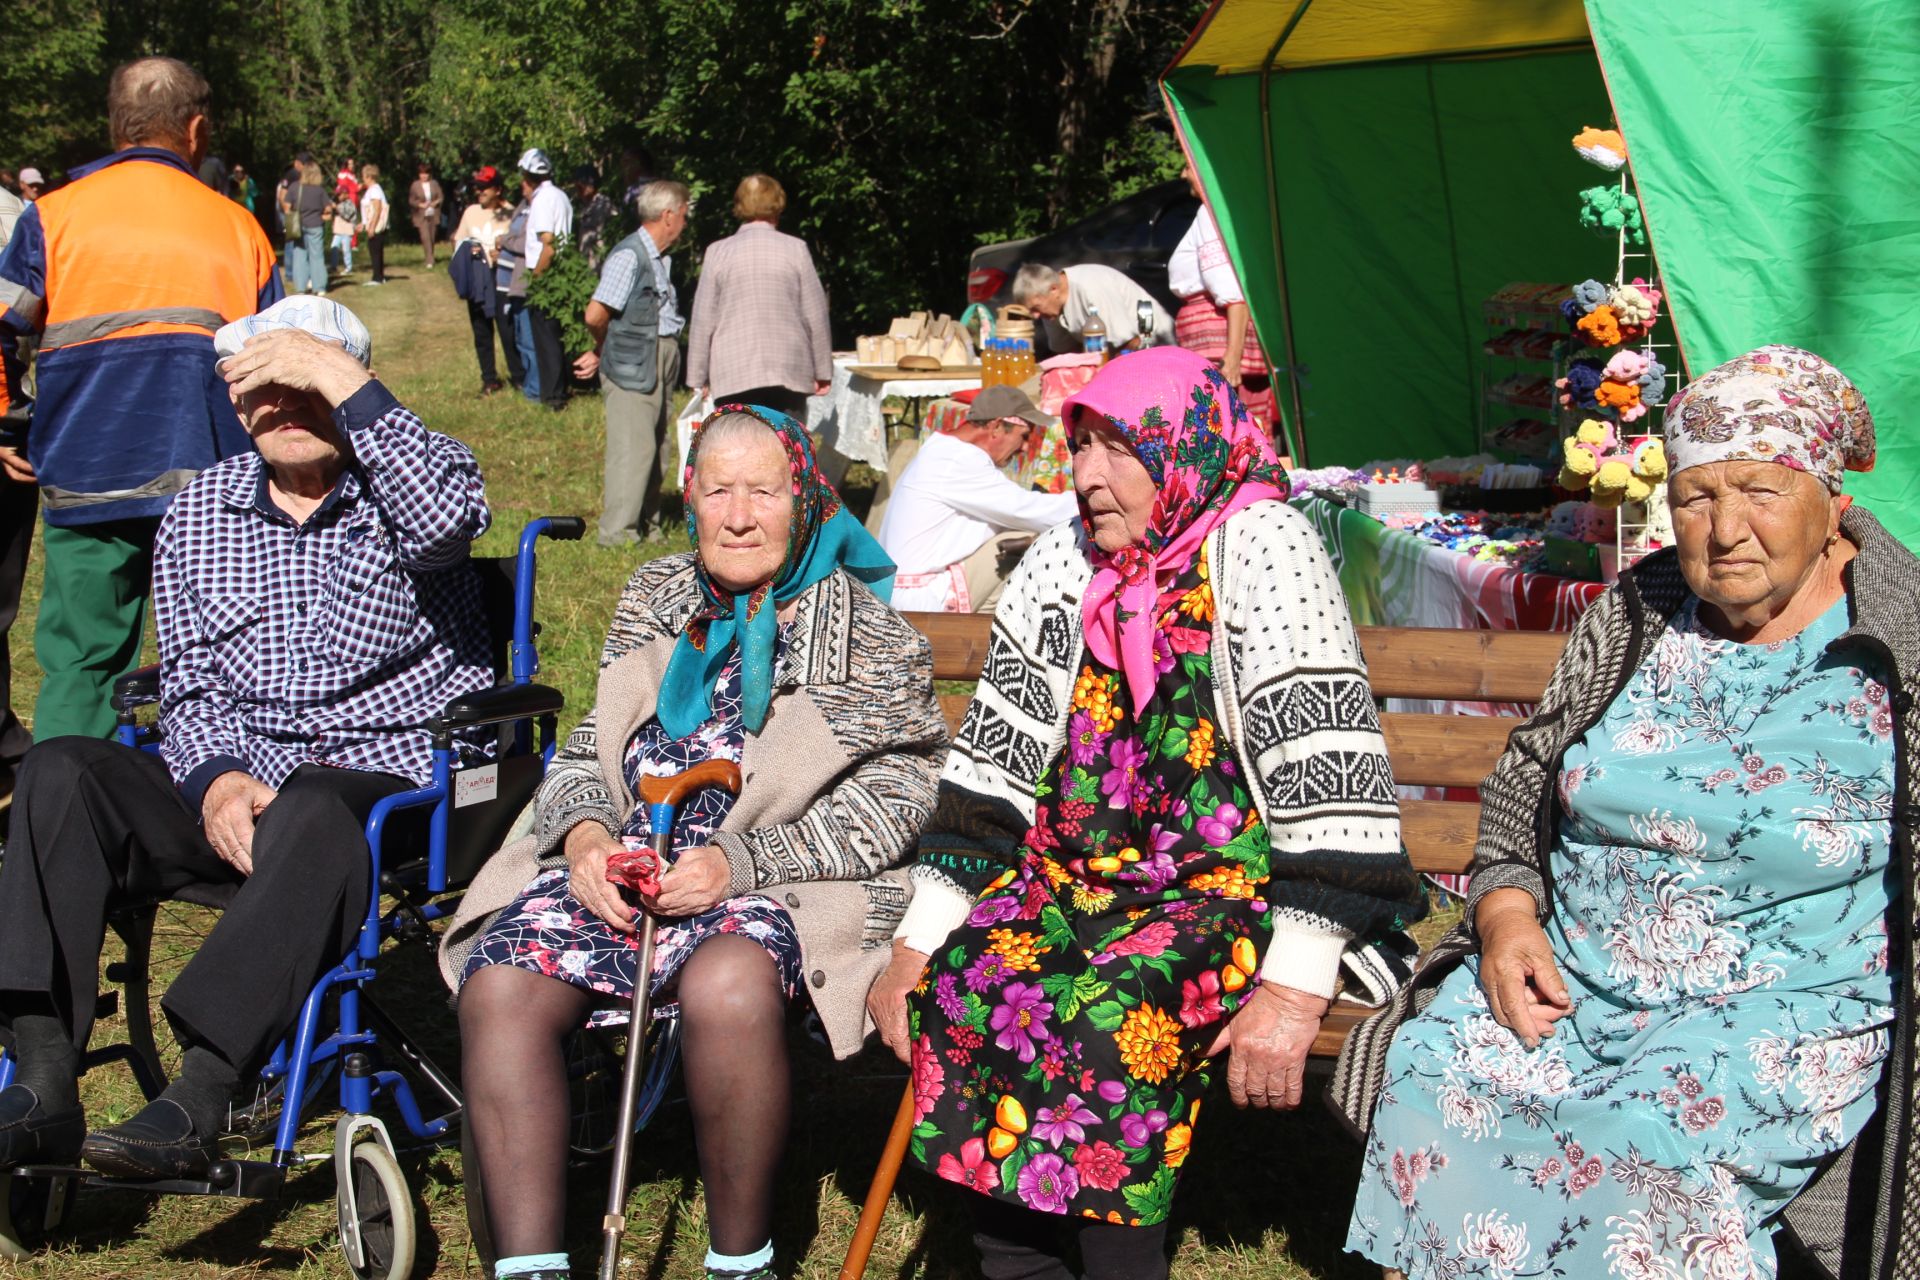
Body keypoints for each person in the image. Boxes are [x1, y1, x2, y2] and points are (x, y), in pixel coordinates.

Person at [1338, 345, 1920, 1280]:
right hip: (1576, 976)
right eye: (1696, 498)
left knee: (1648, 1127)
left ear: (1832, 503)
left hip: (1778, 1006)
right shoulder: (1644, 606)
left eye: (1762, 492)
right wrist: (1507, 916)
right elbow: (1528, 772)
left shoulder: (1900, 636)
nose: (1725, 529)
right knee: (1434, 1066)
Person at [867, 347, 1420, 1280]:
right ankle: (1019, 1263)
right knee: (972, 981)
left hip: (1224, 894)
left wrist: (1294, 986)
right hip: (1066, 882)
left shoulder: (1263, 548)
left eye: (1119, 450)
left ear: (1183, 450)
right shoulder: (1060, 560)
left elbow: (1333, 788)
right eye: (1080, 448)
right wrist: (921, 939)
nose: (1085, 477)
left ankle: (1119, 1266)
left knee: (1107, 1020)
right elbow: (992, 764)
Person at [442, 405, 946, 1280]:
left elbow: (897, 801)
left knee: (728, 984)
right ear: (691, 500)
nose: (740, 514)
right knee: (502, 985)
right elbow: (587, 744)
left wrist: (737, 865)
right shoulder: (656, 596)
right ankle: (530, 1268)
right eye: (718, 490)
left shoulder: (866, 632)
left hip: (771, 882)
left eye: (764, 490)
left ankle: (739, 1261)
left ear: (806, 499)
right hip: (623, 866)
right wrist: (589, 837)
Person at [0, 297, 493, 1181]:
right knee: (60, 767)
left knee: (316, 796)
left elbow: (449, 521)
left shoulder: (413, 483)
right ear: (235, 406)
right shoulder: (200, 515)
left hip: (386, 792)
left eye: (305, 384)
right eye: (263, 392)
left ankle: (202, 1092)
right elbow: (186, 683)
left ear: (353, 385)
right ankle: (41, 1080)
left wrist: (330, 369)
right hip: (243, 795)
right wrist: (219, 779)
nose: (286, 407)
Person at [0, 56, 281, 742]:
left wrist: (6, 428)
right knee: (224, 663)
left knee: (81, 663)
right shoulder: (238, 227)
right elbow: (281, 362)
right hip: (213, 485)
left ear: (115, 126)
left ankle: (63, 828)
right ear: (195, 129)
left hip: (85, 472)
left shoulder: (49, 218)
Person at [878, 384, 1078, 613]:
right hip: (918, 598)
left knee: (1017, 540)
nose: (1024, 448)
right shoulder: (957, 460)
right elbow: (1027, 511)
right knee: (1027, 539)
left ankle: (988, 629)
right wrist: (1088, 503)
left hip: (899, 590)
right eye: (1023, 436)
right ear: (996, 427)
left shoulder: (943, 449)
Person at [574, 179, 689, 546]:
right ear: (668, 216)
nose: (685, 224)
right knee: (632, 448)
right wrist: (606, 346)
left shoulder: (657, 257)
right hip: (633, 364)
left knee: (656, 446)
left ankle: (647, 525)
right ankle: (617, 535)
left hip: (656, 358)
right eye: (684, 216)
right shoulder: (629, 255)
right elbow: (595, 314)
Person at [684, 174, 831, 421]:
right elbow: (815, 314)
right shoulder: (795, 249)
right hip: (788, 370)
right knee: (787, 449)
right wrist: (822, 370)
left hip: (733, 373)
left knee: (740, 450)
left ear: (739, 205)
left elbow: (703, 319)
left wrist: (697, 378)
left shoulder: (718, 252)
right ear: (778, 204)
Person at [1168, 163, 1273, 429]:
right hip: (1216, 339)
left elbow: (1232, 290)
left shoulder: (1210, 213)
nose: (1183, 175)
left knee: (1226, 425)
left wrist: (1232, 358)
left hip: (1221, 343)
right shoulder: (1218, 211)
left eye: (1187, 166)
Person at [1013, 262, 1173, 356]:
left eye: (1036, 308)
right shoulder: (1051, 307)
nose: (1035, 316)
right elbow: (1068, 352)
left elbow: (1129, 343)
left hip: (1158, 348)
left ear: (1053, 289)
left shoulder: (1091, 287)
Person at [451, 166, 516, 395]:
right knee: (481, 331)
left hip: (501, 278)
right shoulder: (470, 212)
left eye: (484, 187)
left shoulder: (511, 213)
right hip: (478, 278)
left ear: (498, 189)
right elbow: (458, 241)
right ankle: (489, 379)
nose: (480, 191)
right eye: (477, 187)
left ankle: (518, 376)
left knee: (508, 330)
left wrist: (503, 255)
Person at [518, 148, 573, 412]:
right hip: (562, 273)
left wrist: (537, 278)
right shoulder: (560, 195)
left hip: (546, 274)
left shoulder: (541, 200)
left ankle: (552, 396)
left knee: (546, 339)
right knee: (555, 337)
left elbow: (547, 245)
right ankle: (559, 390)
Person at [289, 162, 330, 295]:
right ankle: (319, 287)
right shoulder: (320, 191)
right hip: (316, 225)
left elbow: (287, 204)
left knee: (299, 256)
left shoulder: (295, 188)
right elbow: (328, 209)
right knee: (316, 256)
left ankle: (300, 287)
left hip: (299, 226)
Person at [572, 163, 615, 270]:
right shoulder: (583, 206)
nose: (578, 189)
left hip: (601, 265)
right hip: (586, 265)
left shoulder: (603, 204)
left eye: (581, 185)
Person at [359, 163, 388, 285]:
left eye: (363, 176)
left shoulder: (375, 190)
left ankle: (377, 277)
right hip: (373, 225)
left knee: (375, 251)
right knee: (377, 250)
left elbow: (377, 209)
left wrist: (371, 226)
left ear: (368, 176)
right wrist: (364, 223)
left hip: (376, 226)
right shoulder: (373, 190)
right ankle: (380, 276)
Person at [409, 162, 443, 269]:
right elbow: (411, 200)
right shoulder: (415, 185)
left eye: (426, 174)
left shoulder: (434, 184)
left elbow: (441, 197)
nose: (424, 176)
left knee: (432, 237)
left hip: (433, 214)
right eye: (422, 174)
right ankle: (429, 260)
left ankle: (430, 256)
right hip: (421, 215)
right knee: (425, 237)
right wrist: (420, 204)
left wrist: (435, 203)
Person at [328, 179, 358, 276]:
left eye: (340, 194)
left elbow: (347, 215)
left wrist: (336, 207)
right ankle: (334, 266)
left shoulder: (350, 204)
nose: (338, 196)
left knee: (346, 250)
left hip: (347, 231)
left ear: (346, 193)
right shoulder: (339, 204)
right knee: (334, 247)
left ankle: (348, 268)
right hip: (338, 231)